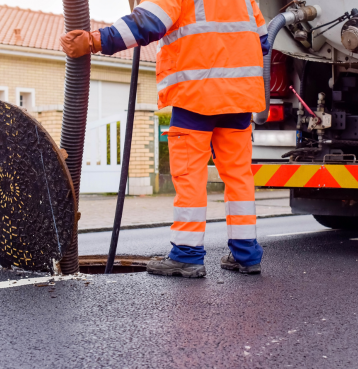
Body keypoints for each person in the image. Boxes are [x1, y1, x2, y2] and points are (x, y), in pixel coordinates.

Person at [60, 0, 270, 278]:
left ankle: (187, 255)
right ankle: (246, 255)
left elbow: (146, 23)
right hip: (240, 98)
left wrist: (95, 41)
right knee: (239, 176)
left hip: (196, 96)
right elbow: (263, 42)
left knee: (189, 176)